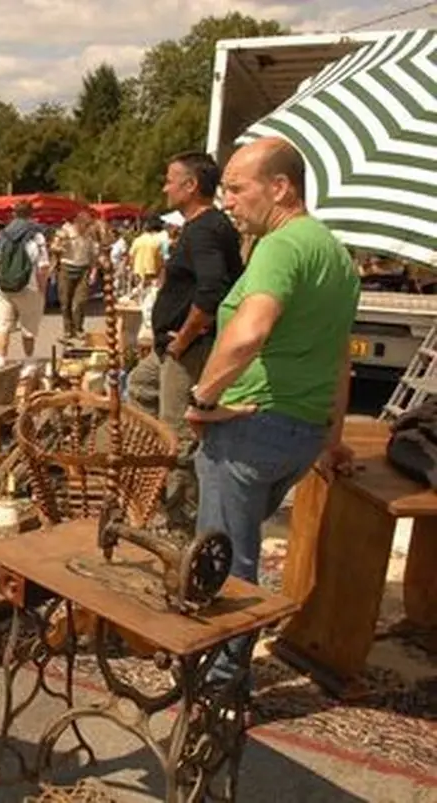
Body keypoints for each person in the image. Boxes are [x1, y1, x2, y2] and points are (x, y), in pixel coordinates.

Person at [185, 137, 360, 690]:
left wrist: (202, 398)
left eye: (237, 188)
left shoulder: (282, 247)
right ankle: (223, 665)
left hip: (251, 430)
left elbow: (249, 333)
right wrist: (331, 440)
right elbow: (338, 363)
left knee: (225, 560)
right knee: (238, 544)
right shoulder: (335, 254)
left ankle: (221, 682)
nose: (227, 201)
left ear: (280, 187)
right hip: (298, 433)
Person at [128, 152, 245, 514]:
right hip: (173, 346)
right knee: (138, 385)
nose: (164, 187)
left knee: (177, 434)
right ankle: (151, 479)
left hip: (189, 347)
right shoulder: (202, 226)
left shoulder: (207, 227)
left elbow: (212, 290)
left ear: (191, 185)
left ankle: (181, 518)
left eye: (170, 179)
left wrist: (184, 339)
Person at [0, 200, 50, 370]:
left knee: (3, 326)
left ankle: (1, 360)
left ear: (13, 214)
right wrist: (42, 289)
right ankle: (28, 360)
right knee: (28, 327)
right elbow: (43, 266)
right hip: (29, 286)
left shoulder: (1, 235)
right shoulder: (36, 236)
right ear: (31, 214)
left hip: (3, 289)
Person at [49, 211, 99, 343]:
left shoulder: (89, 236)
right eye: (85, 225)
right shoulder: (65, 231)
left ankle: (78, 328)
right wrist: (60, 247)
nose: (87, 228)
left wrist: (93, 272)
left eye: (89, 225)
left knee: (80, 301)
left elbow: (93, 256)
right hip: (66, 268)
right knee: (65, 302)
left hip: (83, 269)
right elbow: (54, 247)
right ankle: (67, 330)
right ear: (78, 223)